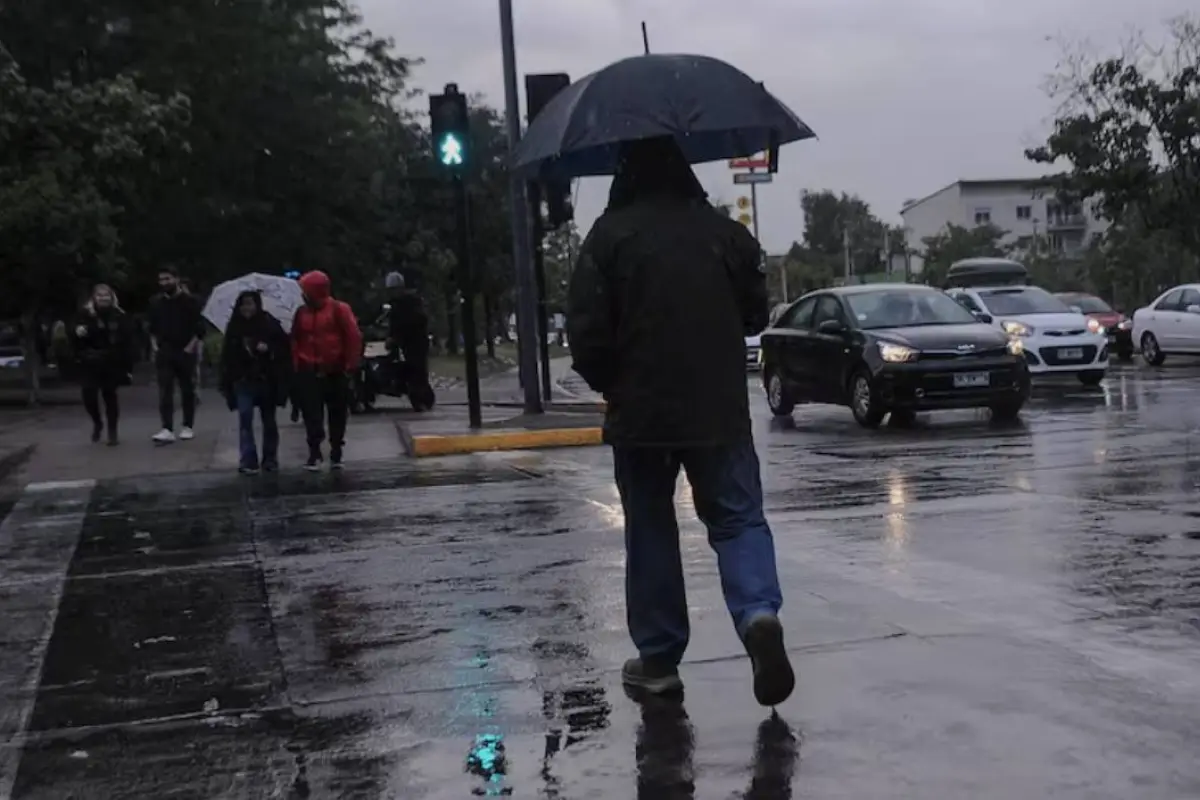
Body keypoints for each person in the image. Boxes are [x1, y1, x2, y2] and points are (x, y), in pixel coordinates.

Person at [566, 135, 794, 707]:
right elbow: (754, 314)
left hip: (641, 413)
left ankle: (659, 659)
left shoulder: (608, 237)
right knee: (738, 518)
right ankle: (758, 615)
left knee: (650, 527)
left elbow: (587, 333)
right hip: (718, 407)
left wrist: (611, 381)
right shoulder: (725, 235)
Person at [291, 270, 362, 470]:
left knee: (337, 412)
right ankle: (314, 450)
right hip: (309, 369)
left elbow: (353, 337)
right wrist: (296, 363)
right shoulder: (301, 312)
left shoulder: (339, 310)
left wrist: (350, 365)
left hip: (335, 370)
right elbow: (295, 339)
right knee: (311, 413)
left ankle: (336, 448)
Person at [220, 291, 291, 474]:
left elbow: (284, 347)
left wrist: (269, 349)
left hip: (266, 379)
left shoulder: (269, 324)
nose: (246, 308)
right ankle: (248, 459)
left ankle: (270, 458)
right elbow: (227, 355)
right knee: (245, 418)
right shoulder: (234, 326)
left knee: (269, 420)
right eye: (243, 305)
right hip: (243, 380)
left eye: (250, 304)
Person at [69, 284, 135, 445]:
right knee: (89, 395)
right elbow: (73, 333)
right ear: (94, 298)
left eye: (106, 295)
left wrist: (128, 366)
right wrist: (77, 332)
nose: (103, 298)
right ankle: (97, 422)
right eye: (100, 295)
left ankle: (112, 431)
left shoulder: (119, 315)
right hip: (90, 360)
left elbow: (128, 341)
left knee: (110, 395)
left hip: (111, 360)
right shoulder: (85, 314)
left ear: (112, 298)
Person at [148, 266, 205, 444]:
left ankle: (188, 425)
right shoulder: (156, 302)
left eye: (168, 279)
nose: (164, 283)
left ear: (176, 279)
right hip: (165, 350)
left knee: (187, 389)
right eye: (161, 280)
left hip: (185, 350)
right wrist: (155, 346)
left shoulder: (192, 302)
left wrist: (190, 347)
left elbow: (199, 329)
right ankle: (167, 427)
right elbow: (152, 328)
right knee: (165, 390)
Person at [384, 271, 434, 411]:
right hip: (403, 342)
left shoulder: (412, 302)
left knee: (417, 370)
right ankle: (406, 389)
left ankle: (421, 398)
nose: (392, 293)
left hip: (416, 342)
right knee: (405, 368)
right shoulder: (394, 304)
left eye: (394, 289)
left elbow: (414, 321)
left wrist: (396, 336)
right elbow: (393, 323)